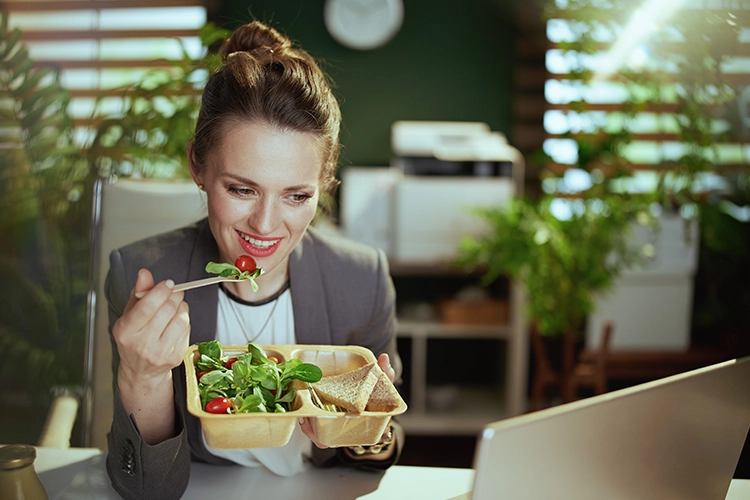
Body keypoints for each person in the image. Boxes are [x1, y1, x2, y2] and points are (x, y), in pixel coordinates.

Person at [104, 20, 403, 500]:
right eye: (242, 189)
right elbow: (147, 490)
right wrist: (145, 376)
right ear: (197, 168)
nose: (265, 225)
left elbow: (374, 460)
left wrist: (368, 427)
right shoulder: (139, 275)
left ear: (324, 184)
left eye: (295, 195)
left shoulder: (361, 280)